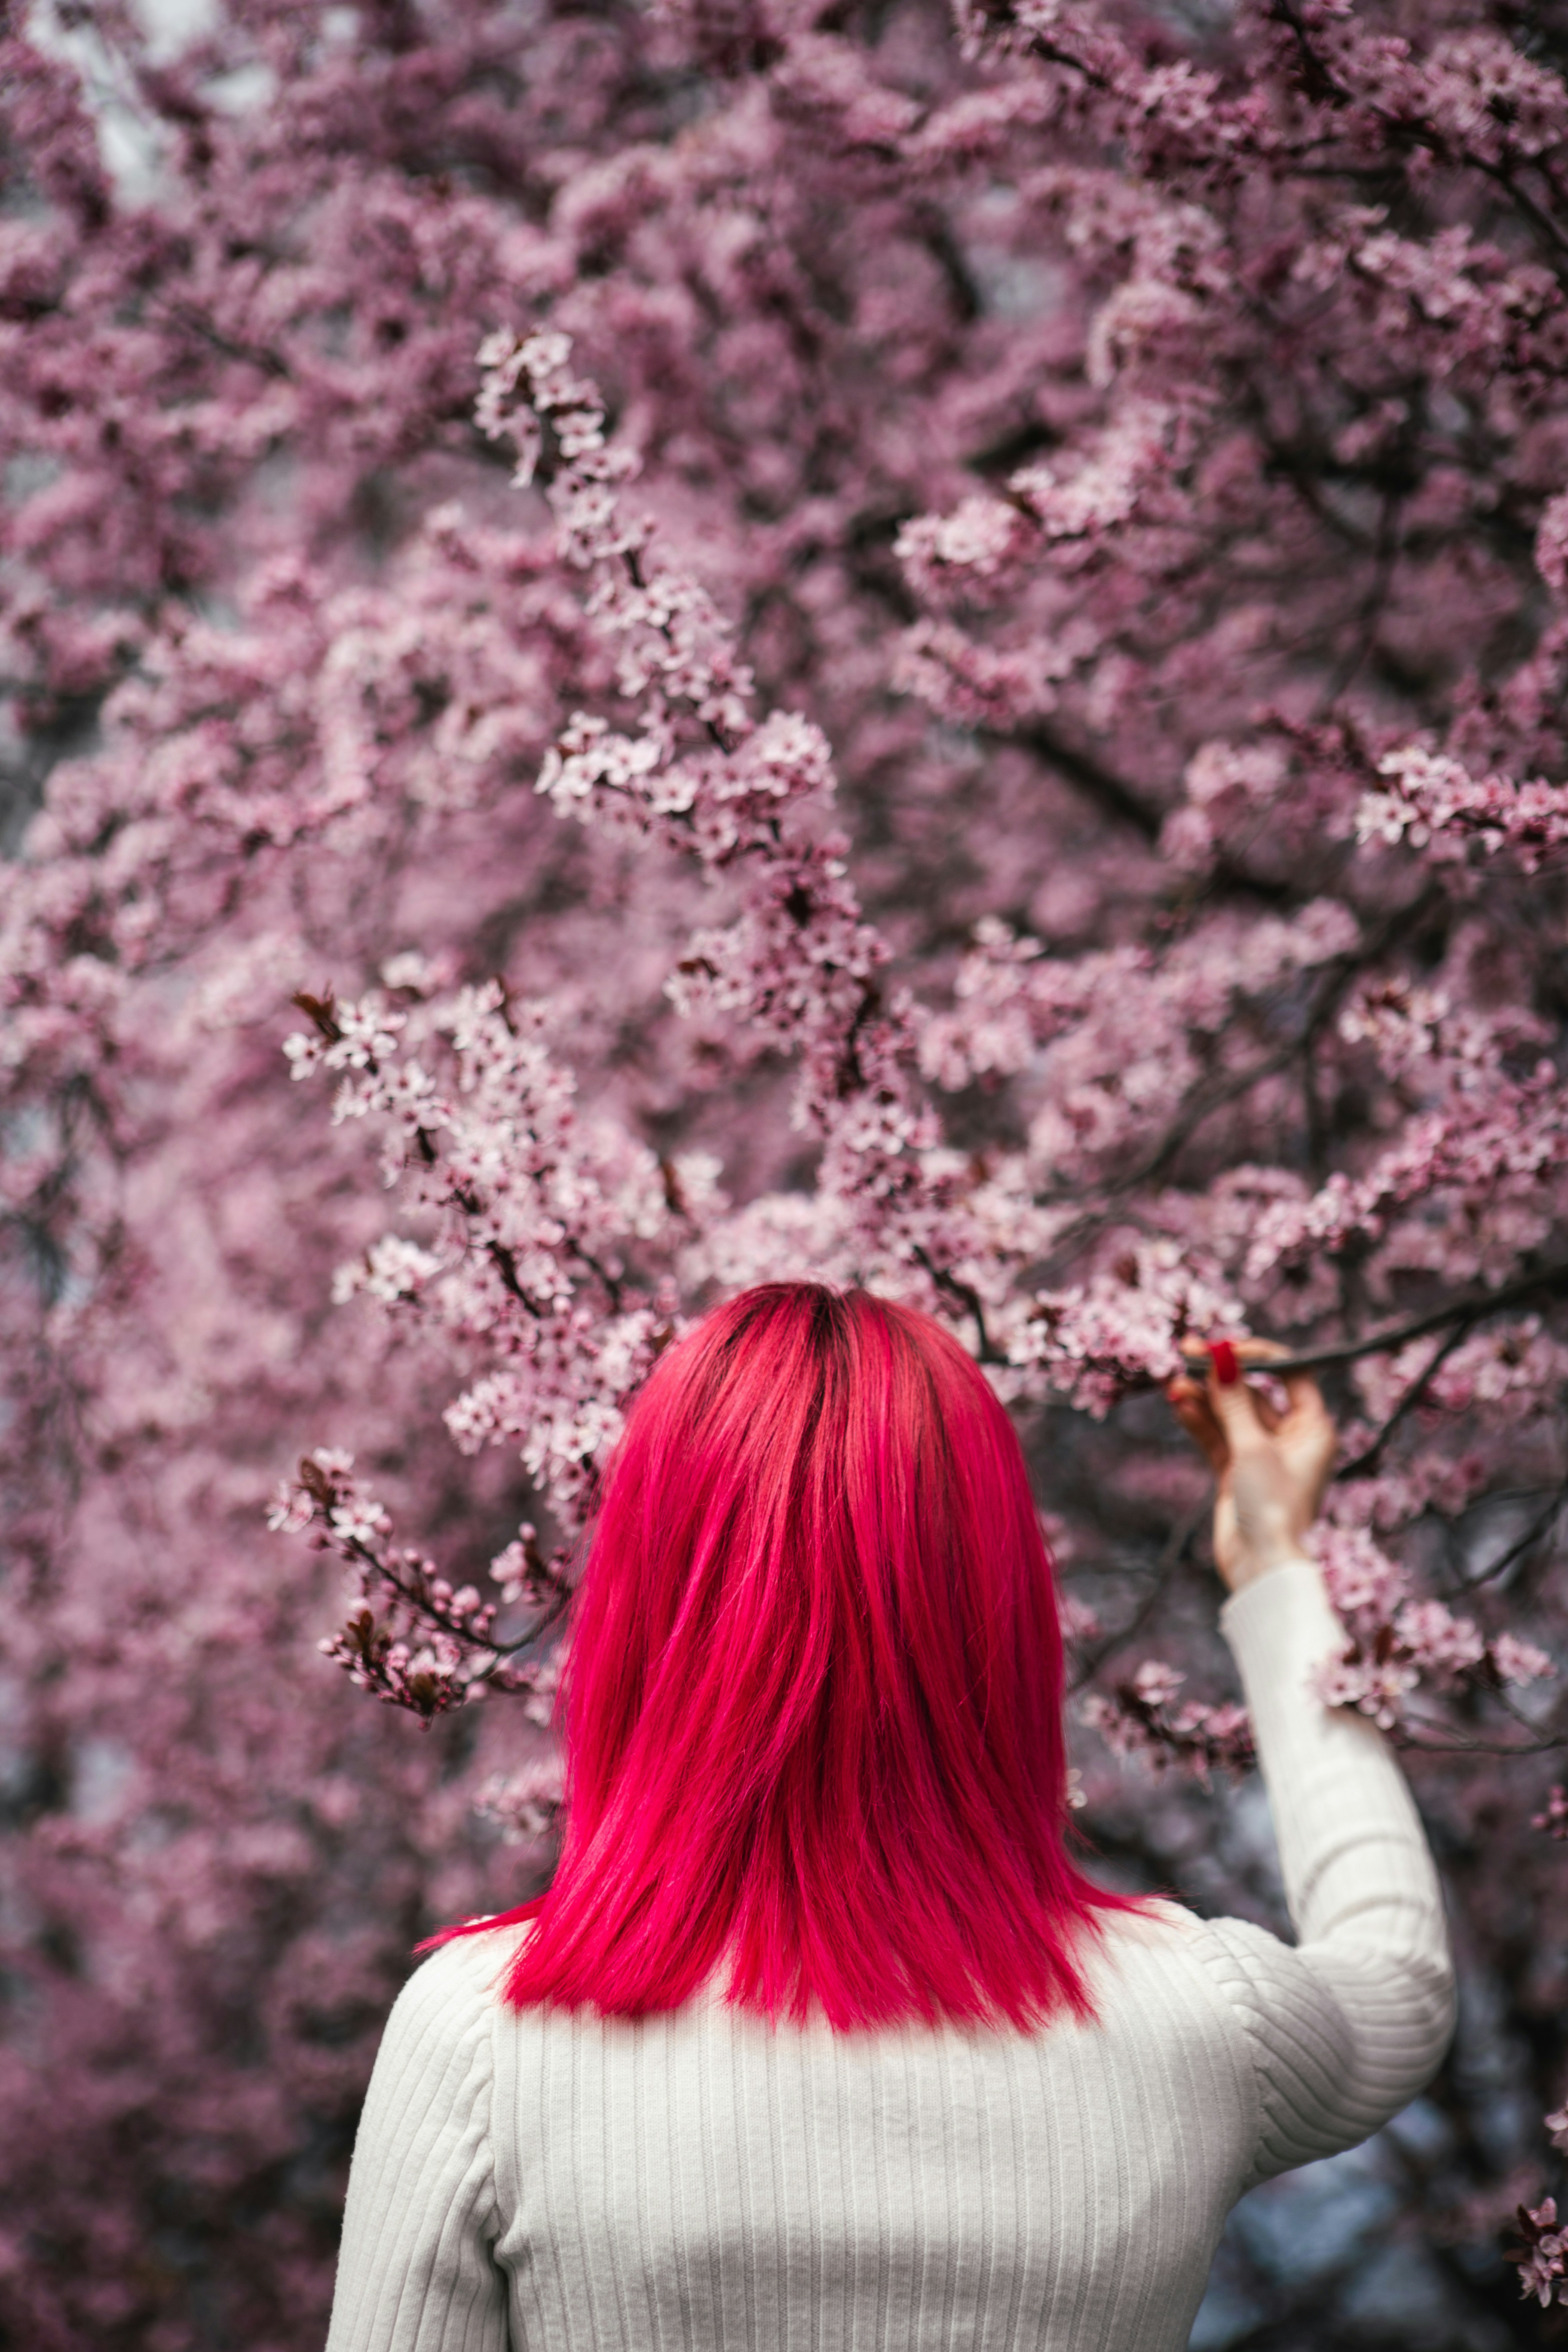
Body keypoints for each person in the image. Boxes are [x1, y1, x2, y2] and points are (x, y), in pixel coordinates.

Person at [324, 1283, 1455, 2352]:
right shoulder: (1200, 2016)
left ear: (646, 1607)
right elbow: (1399, 1979)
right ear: (998, 1606)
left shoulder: (485, 2038)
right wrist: (1272, 1563)